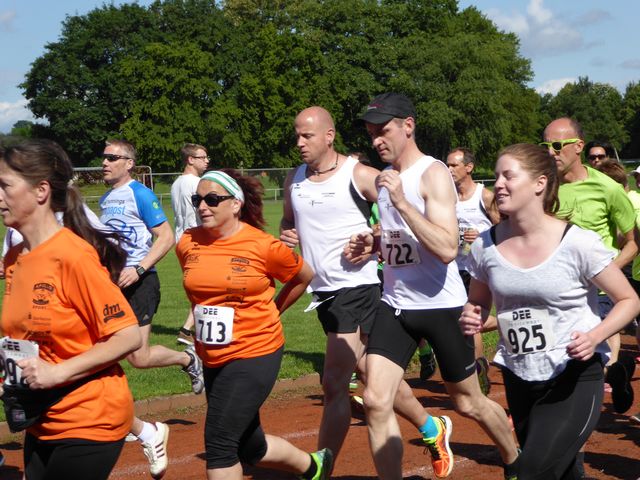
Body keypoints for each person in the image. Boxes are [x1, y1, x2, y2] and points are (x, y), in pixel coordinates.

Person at [354, 93, 519, 479]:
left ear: (408, 126)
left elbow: (446, 248)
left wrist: (402, 202)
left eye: (384, 130)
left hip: (441, 307)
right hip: (396, 305)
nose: (376, 140)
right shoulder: (386, 177)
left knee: (468, 402)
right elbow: (401, 239)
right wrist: (372, 243)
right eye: (371, 133)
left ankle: (515, 459)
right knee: (375, 399)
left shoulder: (433, 173)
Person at [459, 143, 640, 479]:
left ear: (539, 183)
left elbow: (629, 299)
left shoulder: (577, 242)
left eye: (509, 176)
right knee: (564, 473)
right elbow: (478, 302)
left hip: (573, 374)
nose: (498, 184)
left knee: (531, 471)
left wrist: (594, 337)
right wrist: (473, 313)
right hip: (519, 373)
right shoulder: (485, 245)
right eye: (497, 176)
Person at [281, 106, 442, 473]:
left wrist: (373, 241)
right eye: (297, 135)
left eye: (307, 135)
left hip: (358, 287)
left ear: (329, 136)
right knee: (372, 374)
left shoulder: (359, 175)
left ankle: (320, 467)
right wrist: (288, 234)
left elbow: (402, 218)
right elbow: (289, 221)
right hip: (323, 293)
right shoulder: (294, 180)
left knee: (334, 382)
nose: (300, 142)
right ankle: (431, 424)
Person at [176, 169, 331, 480]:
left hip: (255, 350)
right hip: (213, 354)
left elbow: (303, 276)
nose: (203, 206)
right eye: (197, 200)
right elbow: (201, 293)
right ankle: (314, 466)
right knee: (250, 446)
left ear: (236, 204)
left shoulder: (262, 245)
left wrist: (274, 309)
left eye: (212, 199)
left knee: (220, 445)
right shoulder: (188, 242)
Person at [0, 140, 142, 480]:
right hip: (42, 420)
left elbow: (127, 335)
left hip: (91, 418)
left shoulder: (72, 256)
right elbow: (23, 336)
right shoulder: (14, 259)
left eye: (5, 186)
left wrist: (58, 372)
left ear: (41, 191)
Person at [99, 139, 203, 479]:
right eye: (104, 157)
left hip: (141, 283)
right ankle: (127, 423)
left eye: (112, 157)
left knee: (139, 358)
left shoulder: (140, 194)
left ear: (129, 163)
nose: (104, 162)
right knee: (106, 354)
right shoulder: (105, 199)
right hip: (114, 285)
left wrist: (140, 268)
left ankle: (188, 359)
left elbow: (165, 237)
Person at [541, 119, 637, 415]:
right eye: (546, 146)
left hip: (598, 290)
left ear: (578, 146)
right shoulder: (543, 186)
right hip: (556, 287)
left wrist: (606, 273)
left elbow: (633, 242)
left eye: (557, 145)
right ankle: (616, 371)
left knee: (586, 353)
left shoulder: (607, 188)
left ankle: (610, 374)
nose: (551, 152)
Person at [446, 147, 500, 395]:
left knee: (470, 321)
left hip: (477, 269)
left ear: (468, 167)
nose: (449, 169)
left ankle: (478, 371)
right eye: (447, 165)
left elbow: (504, 229)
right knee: (459, 322)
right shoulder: (447, 197)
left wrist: (481, 235)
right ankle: (503, 323)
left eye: (454, 165)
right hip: (453, 267)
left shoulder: (484, 196)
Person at [170, 143, 210, 346]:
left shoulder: (176, 183)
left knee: (200, 287)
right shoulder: (197, 183)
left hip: (181, 240)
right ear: (190, 160)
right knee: (206, 287)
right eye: (202, 157)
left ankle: (194, 328)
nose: (207, 161)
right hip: (196, 239)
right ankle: (187, 330)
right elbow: (203, 212)